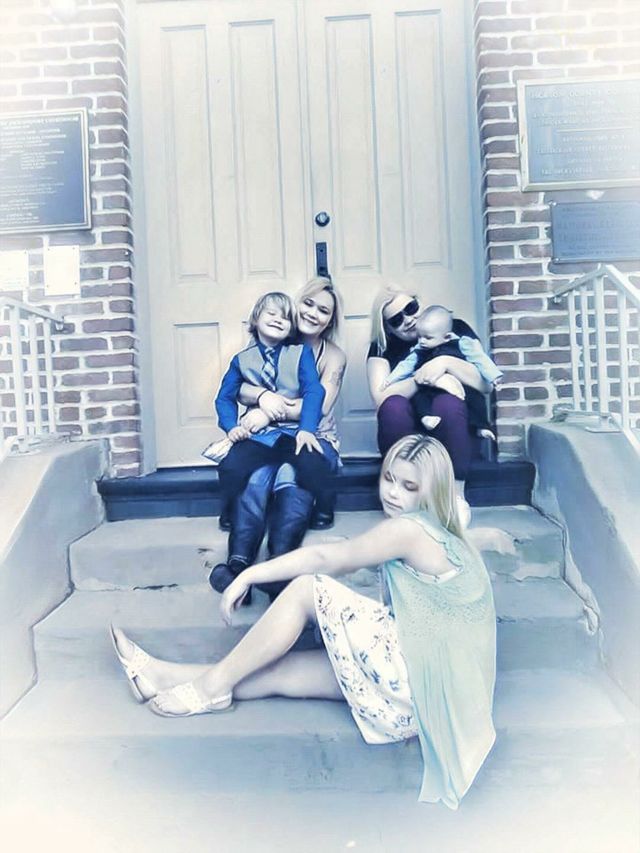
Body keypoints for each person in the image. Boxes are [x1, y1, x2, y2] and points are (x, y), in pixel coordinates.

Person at [111, 435, 496, 809]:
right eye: (389, 479)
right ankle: (163, 676)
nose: (393, 493)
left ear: (432, 492)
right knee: (282, 671)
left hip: (412, 678)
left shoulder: (409, 530)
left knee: (305, 589)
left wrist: (248, 574)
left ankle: (209, 689)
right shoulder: (446, 530)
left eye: (409, 487)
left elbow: (327, 560)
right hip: (426, 702)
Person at [210, 281, 346, 600]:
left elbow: (318, 401)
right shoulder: (262, 346)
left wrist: (267, 413)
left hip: (310, 434)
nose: (312, 313)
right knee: (256, 475)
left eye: (323, 310)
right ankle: (237, 565)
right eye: (308, 304)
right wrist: (260, 398)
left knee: (292, 473)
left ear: (331, 320)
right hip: (268, 439)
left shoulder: (327, 355)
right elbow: (234, 390)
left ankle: (280, 566)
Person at [367, 287, 493, 521]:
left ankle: (455, 495)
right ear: (388, 328)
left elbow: (486, 385)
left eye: (410, 308)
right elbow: (381, 398)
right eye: (396, 320)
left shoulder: (455, 329)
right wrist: (424, 376)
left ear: (419, 302)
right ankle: (400, 492)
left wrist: (445, 363)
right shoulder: (381, 347)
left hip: (454, 428)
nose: (407, 319)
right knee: (393, 406)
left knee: (447, 403)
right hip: (409, 431)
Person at [382, 304, 502, 433]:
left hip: (459, 388)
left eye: (411, 308)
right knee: (419, 399)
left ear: (447, 337)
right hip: (428, 388)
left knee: (475, 399)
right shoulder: (418, 349)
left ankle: (481, 427)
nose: (422, 341)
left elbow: (479, 358)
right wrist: (390, 379)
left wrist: (494, 375)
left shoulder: (461, 342)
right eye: (396, 320)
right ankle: (426, 417)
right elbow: (405, 366)